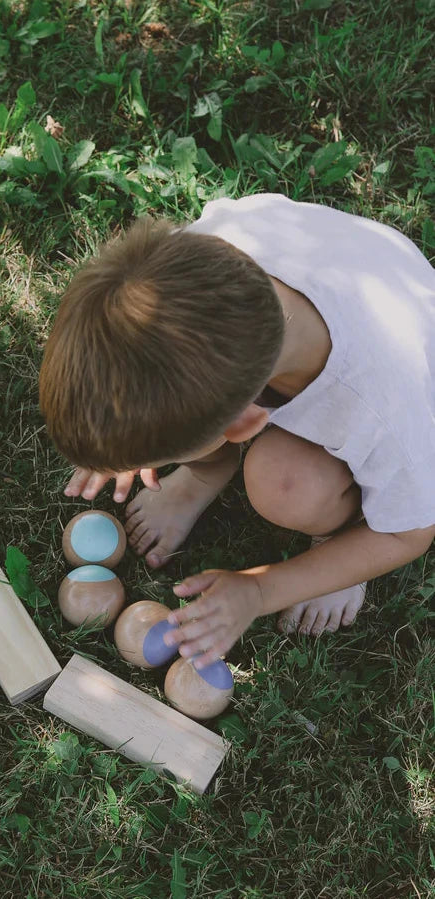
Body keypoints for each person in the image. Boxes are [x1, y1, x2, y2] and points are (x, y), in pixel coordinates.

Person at [39, 193, 435, 668]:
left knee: (285, 486)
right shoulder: (190, 264)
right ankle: (202, 477)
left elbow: (408, 535)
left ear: (246, 424)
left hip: (396, 325)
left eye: (164, 456)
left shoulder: (385, 408)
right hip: (329, 280)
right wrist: (124, 433)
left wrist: (260, 589)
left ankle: (338, 539)